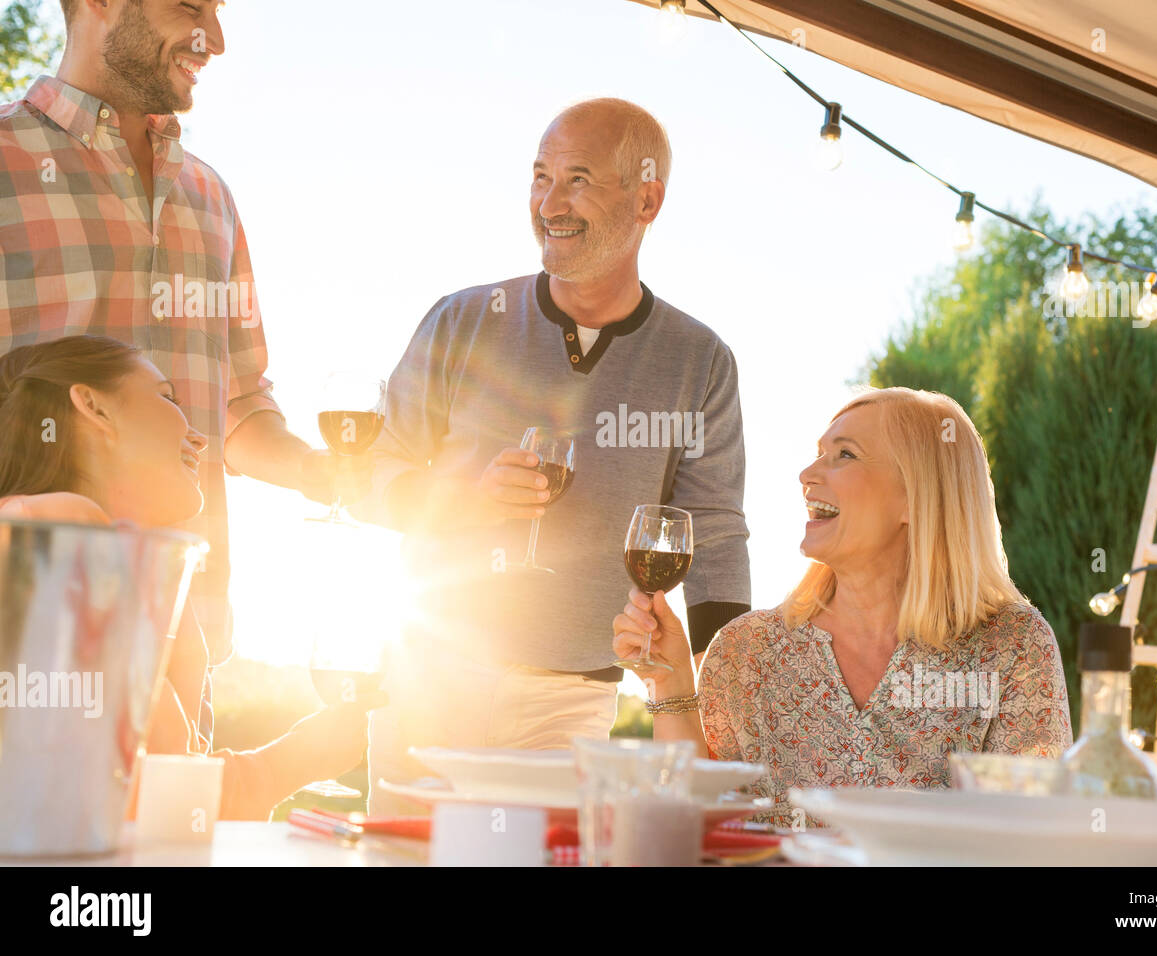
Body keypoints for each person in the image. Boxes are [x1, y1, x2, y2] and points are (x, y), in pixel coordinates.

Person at [358, 98, 751, 811]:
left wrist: (724, 714)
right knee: (403, 857)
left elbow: (716, 538)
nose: (549, 202)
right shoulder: (462, 321)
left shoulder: (701, 362)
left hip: (571, 702)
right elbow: (373, 477)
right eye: (540, 177)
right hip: (430, 675)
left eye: (577, 179)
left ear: (647, 198)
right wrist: (464, 499)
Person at [0, 0, 363, 678]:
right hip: (27, 637)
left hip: (185, 635)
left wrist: (322, 474)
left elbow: (241, 406)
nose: (215, 40)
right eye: (191, 7)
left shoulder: (210, 197)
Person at [613, 387, 1073, 826]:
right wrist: (669, 681)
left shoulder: (1012, 645)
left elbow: (1031, 837)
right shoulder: (745, 650)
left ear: (916, 495)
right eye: (818, 453)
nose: (807, 475)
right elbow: (695, 824)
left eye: (845, 455)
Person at [0, 335, 378, 820]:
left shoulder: (70, 541)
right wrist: (295, 760)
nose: (200, 438)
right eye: (167, 397)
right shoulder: (59, 530)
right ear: (92, 407)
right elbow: (143, 806)